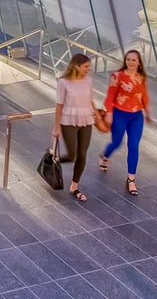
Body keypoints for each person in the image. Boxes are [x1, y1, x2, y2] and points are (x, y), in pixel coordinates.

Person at [99, 49, 151, 196]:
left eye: (134, 60)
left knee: (133, 145)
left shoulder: (141, 78)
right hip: (120, 114)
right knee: (116, 142)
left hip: (136, 116)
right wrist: (109, 112)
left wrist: (147, 112)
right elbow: (110, 96)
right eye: (128, 59)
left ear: (139, 62)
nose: (130, 62)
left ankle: (131, 179)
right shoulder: (117, 76)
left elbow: (143, 96)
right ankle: (105, 156)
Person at [53, 53, 98, 202]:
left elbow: (91, 101)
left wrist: (98, 117)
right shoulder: (63, 82)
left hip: (86, 120)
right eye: (85, 67)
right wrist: (57, 128)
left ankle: (74, 186)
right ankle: (55, 159)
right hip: (68, 121)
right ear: (76, 66)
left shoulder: (88, 81)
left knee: (82, 154)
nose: (88, 70)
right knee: (72, 155)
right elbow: (59, 106)